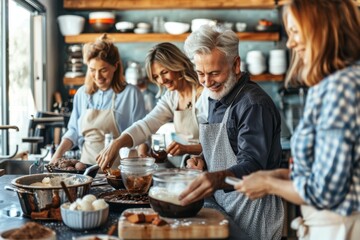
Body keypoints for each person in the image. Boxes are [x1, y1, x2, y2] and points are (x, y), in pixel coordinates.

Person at [234, 0, 360, 239]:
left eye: (294, 32)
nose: (290, 43)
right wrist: (277, 176)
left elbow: (325, 192)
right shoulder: (332, 83)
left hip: (340, 227)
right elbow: (331, 173)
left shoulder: (339, 87)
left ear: (320, 29)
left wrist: (269, 185)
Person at [178, 24, 284, 240]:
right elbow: (225, 151)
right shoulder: (216, 98)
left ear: (236, 65)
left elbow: (253, 165)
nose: (207, 82)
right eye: (200, 74)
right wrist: (202, 161)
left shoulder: (254, 105)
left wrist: (215, 179)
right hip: (225, 206)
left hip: (254, 213)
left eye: (214, 73)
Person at [97, 42, 207, 169]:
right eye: (156, 76)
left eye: (164, 72)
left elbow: (220, 142)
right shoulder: (171, 97)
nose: (161, 80)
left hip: (212, 165)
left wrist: (187, 148)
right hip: (191, 166)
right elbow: (146, 125)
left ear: (178, 65)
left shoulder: (203, 94)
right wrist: (117, 143)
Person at [51, 34, 147, 167]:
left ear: (115, 66)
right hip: (85, 169)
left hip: (119, 170)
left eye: (103, 70)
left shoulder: (131, 94)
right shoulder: (82, 94)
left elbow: (142, 133)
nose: (97, 76)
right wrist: (57, 155)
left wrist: (142, 163)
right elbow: (73, 131)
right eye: (92, 70)